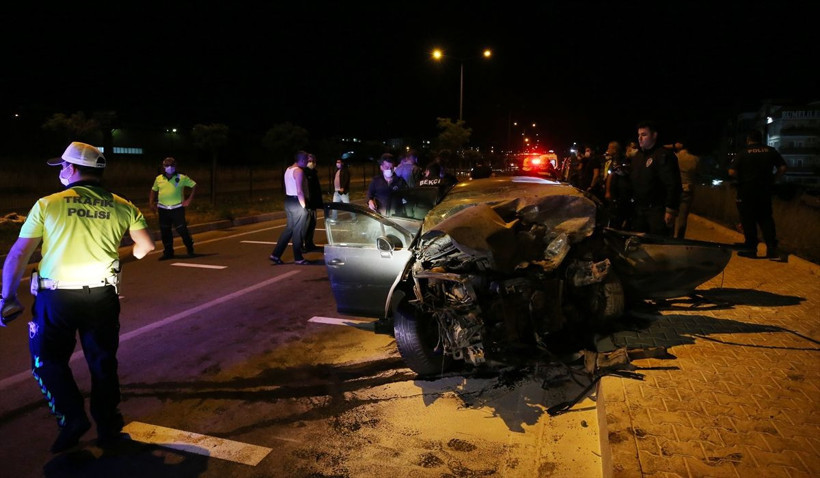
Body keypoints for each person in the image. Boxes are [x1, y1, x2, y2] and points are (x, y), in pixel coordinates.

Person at [0, 142, 155, 453]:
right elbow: (146, 247)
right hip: (102, 296)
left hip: (56, 299)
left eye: (62, 166)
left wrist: (8, 297)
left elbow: (18, 254)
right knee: (103, 362)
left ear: (71, 169)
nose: (61, 171)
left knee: (47, 361)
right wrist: (117, 260)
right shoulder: (124, 206)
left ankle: (71, 418)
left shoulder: (48, 204)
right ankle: (109, 429)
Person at [729, 129, 788, 259]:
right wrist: (773, 179)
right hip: (765, 190)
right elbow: (783, 168)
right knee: (766, 218)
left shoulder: (743, 153)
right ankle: (771, 248)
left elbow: (732, 172)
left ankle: (751, 248)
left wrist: (742, 178)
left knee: (748, 219)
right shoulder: (771, 151)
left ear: (748, 140)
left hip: (746, 190)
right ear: (761, 139)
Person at [630, 121, 682, 236]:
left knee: (658, 243)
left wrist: (671, 209)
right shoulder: (638, 156)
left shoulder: (664, 155)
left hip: (657, 211)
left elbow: (673, 184)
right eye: (639, 135)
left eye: (644, 135)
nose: (640, 138)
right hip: (639, 210)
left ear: (654, 135)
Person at [149, 157, 197, 260]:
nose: (169, 167)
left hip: (177, 208)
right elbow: (153, 190)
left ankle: (189, 246)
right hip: (163, 209)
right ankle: (168, 252)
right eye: (167, 165)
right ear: (163, 166)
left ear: (175, 166)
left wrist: (188, 200)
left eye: (171, 165)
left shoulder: (182, 178)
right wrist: (151, 202)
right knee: (165, 231)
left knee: (181, 229)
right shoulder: (159, 179)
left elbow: (194, 186)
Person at [271, 151, 311, 265]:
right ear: (302, 160)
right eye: (306, 160)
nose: (307, 163)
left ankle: (276, 254)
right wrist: (303, 205)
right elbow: (299, 191)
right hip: (296, 201)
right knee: (298, 231)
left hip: (288, 201)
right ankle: (298, 258)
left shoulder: (288, 169)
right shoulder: (299, 171)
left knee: (289, 229)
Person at [671, 142, 700, 239]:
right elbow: (697, 175)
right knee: (683, 217)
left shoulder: (675, 157)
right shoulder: (695, 159)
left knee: (671, 214)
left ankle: (670, 236)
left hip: (676, 189)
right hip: (688, 190)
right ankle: (680, 238)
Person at [302, 153, 323, 251]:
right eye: (309, 161)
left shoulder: (314, 173)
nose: (311, 163)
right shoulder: (304, 173)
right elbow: (305, 190)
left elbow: (316, 190)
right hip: (307, 204)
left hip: (313, 203)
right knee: (306, 226)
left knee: (312, 225)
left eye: (312, 161)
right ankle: (302, 245)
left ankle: (309, 244)